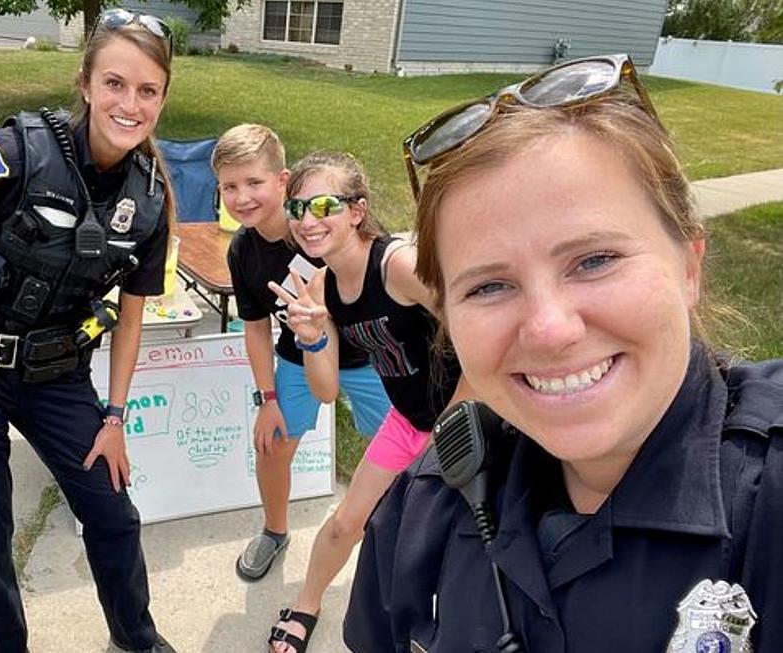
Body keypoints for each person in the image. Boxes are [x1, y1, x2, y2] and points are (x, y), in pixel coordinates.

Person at [343, 54, 783, 652]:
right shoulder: (428, 503)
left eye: (595, 260)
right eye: (489, 286)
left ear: (689, 265)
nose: (549, 330)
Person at [0, 10, 180, 653]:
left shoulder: (152, 199)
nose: (129, 104)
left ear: (162, 98)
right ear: (85, 82)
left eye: (147, 90)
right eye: (114, 83)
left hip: (55, 372)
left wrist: (115, 418)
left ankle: (137, 638)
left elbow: (132, 313)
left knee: (112, 513)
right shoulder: (21, 149)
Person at [267, 151, 466, 652]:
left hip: (469, 417)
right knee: (346, 522)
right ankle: (306, 604)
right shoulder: (326, 286)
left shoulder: (396, 265)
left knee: (450, 539)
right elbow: (326, 390)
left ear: (357, 210)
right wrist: (312, 337)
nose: (308, 221)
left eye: (324, 206)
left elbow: (477, 330)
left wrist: (454, 427)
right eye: (297, 209)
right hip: (407, 421)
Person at [212, 124, 392, 582]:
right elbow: (254, 327)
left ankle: (395, 528)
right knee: (272, 447)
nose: (242, 197)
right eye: (229, 187)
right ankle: (275, 530)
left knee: (398, 450)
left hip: (369, 354)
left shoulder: (321, 225)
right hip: (298, 354)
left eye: (254, 182)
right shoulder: (244, 250)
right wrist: (266, 399)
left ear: (282, 180)